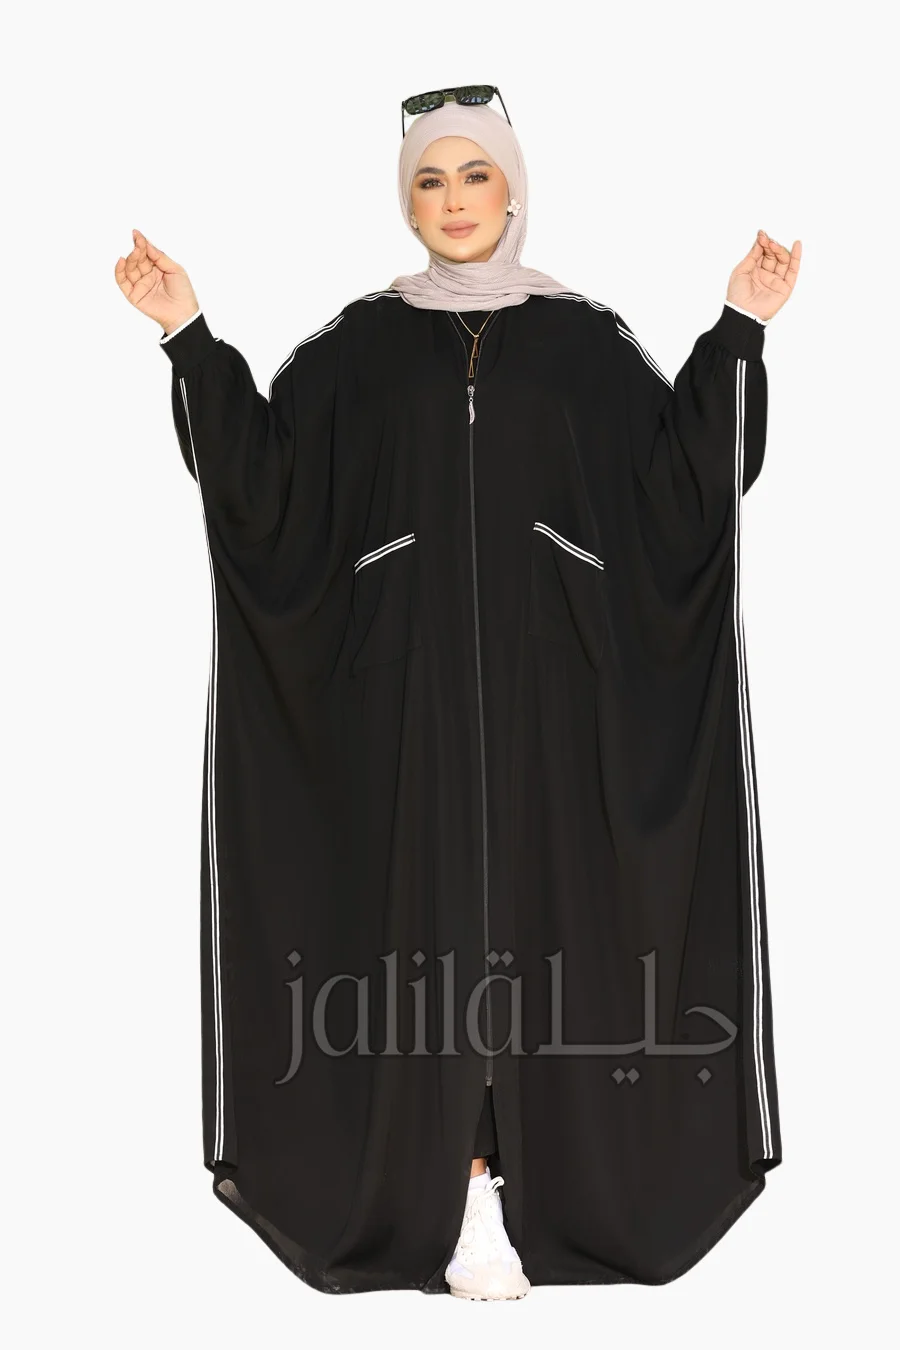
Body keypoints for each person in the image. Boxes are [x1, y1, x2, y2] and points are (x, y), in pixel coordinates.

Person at [115, 88, 800, 1301]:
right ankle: (460, 1196)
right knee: (414, 946)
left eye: (475, 175)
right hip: (400, 712)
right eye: (430, 181)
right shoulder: (356, 351)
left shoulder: (585, 342)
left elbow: (683, 485)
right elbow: (263, 492)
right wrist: (187, 335)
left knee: (553, 933)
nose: (454, 201)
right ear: (407, 201)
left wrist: (739, 325)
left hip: (559, 704)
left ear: (513, 186)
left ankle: (552, 1193)